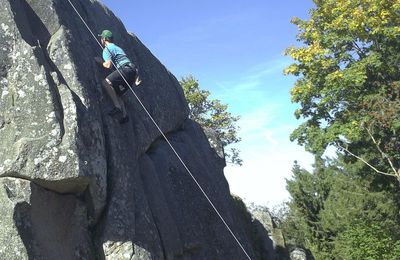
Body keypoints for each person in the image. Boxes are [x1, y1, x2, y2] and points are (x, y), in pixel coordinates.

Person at [95, 29, 141, 124]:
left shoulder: (107, 49)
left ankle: (117, 107)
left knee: (106, 82)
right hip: (133, 71)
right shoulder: (117, 48)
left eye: (101, 38)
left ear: (103, 39)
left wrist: (101, 62)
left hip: (125, 70)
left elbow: (108, 65)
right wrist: (136, 79)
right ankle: (124, 115)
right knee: (117, 93)